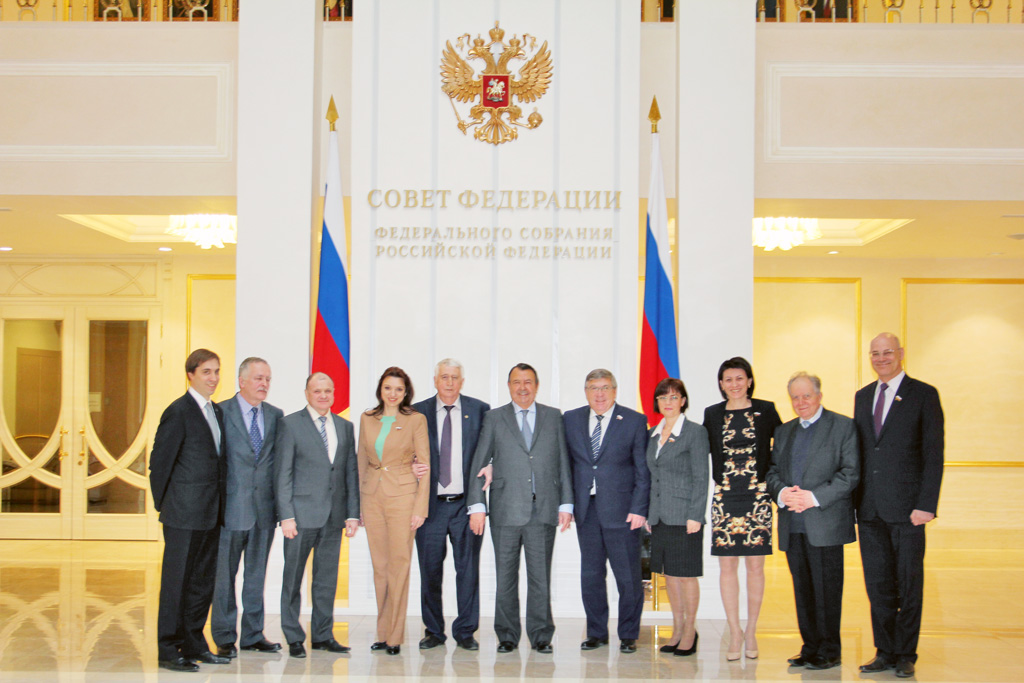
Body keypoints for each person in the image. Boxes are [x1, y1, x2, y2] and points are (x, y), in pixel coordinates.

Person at [467, 363, 573, 654]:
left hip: (543, 510)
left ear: (536, 386)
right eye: (516, 382)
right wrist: (476, 505)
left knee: (540, 578)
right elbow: (479, 462)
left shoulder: (553, 417)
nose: (522, 388)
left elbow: (563, 462)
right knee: (505, 577)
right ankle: (507, 635)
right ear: (509, 386)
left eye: (528, 382)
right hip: (505, 510)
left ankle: (541, 635)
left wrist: (566, 503)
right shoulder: (494, 418)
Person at [855, 333, 944, 679]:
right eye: (875, 353)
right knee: (878, 586)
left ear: (901, 354)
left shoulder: (924, 394)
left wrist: (926, 505)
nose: (881, 358)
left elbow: (933, 453)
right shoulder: (863, 396)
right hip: (870, 510)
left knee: (908, 584)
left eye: (887, 352)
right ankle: (884, 650)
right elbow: (863, 453)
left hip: (909, 511)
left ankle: (905, 653)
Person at [767, 372, 859, 671]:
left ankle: (830, 650)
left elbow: (850, 473)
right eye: (795, 397)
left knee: (827, 591)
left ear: (819, 396)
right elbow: (772, 472)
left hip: (825, 523)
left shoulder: (842, 426)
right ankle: (810, 647)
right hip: (793, 524)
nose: (800, 402)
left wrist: (814, 497)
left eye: (806, 395)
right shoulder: (784, 431)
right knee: (803, 590)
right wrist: (782, 493)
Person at [149, 348, 229, 672]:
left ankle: (194, 642)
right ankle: (168, 649)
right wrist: (167, 506)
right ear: (190, 375)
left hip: (211, 514)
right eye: (207, 371)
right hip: (182, 515)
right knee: (176, 583)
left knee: (201, 582)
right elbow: (159, 464)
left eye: (217, 371)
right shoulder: (178, 411)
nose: (213, 378)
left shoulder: (217, 412)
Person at [563, 369, 649, 653]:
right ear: (585, 391)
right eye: (593, 388)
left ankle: (628, 634)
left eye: (604, 388)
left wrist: (639, 508)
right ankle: (596, 632)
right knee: (591, 575)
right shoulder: (571, 419)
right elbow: (566, 466)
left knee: (627, 576)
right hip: (586, 510)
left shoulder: (634, 420)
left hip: (623, 512)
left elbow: (642, 469)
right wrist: (566, 504)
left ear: (614, 391)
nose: (599, 394)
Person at [275, 372, 360, 658]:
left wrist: (352, 513)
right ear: (307, 394)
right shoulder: (290, 424)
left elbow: (350, 472)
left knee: (326, 580)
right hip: (299, 518)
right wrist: (286, 516)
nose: (323, 396)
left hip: (333, 518)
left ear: (334, 393)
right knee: (292, 579)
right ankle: (293, 637)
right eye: (317, 391)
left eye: (328, 391)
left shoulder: (345, 427)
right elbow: (283, 473)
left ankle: (323, 635)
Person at [703, 357, 782, 660]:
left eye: (739, 378)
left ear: (749, 380)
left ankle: (751, 630)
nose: (734, 384)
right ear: (721, 384)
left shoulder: (766, 410)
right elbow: (700, 449)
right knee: (727, 567)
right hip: (725, 497)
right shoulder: (712, 414)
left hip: (757, 496)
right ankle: (734, 631)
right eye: (728, 379)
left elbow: (784, 448)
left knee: (755, 567)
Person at [412, 359, 490, 652]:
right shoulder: (417, 412)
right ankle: (433, 631)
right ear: (435, 380)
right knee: (430, 571)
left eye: (454, 377)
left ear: (462, 382)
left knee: (467, 571)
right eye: (444, 377)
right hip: (429, 506)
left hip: (465, 506)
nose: (449, 382)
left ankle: (466, 631)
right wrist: (409, 467)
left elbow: (490, 453)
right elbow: (403, 452)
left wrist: (479, 504)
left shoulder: (479, 410)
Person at [212, 357, 283, 657]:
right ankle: (224, 637)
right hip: (230, 509)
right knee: (224, 578)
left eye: (267, 379)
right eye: (258, 378)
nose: (264, 384)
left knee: (256, 576)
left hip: (264, 511)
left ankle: (253, 635)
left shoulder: (275, 415)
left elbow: (278, 464)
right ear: (241, 381)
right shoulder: (220, 412)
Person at [358, 366, 431, 655]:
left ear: (405, 392)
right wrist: (358, 505)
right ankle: (382, 632)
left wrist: (420, 507)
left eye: (398, 389)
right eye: (388, 388)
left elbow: (424, 465)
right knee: (380, 567)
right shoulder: (367, 418)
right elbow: (361, 461)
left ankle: (395, 636)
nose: (392, 393)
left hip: (403, 498)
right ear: (380, 389)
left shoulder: (415, 420)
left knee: (399, 566)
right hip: (372, 498)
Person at [645, 377, 709, 657]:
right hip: (660, 516)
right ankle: (677, 628)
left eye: (674, 397)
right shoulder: (652, 433)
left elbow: (701, 476)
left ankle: (690, 631)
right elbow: (652, 477)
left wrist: (696, 514)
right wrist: (650, 514)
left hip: (685, 517)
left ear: (683, 401)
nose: (668, 402)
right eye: (663, 397)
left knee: (686, 576)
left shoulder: (695, 432)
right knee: (669, 576)